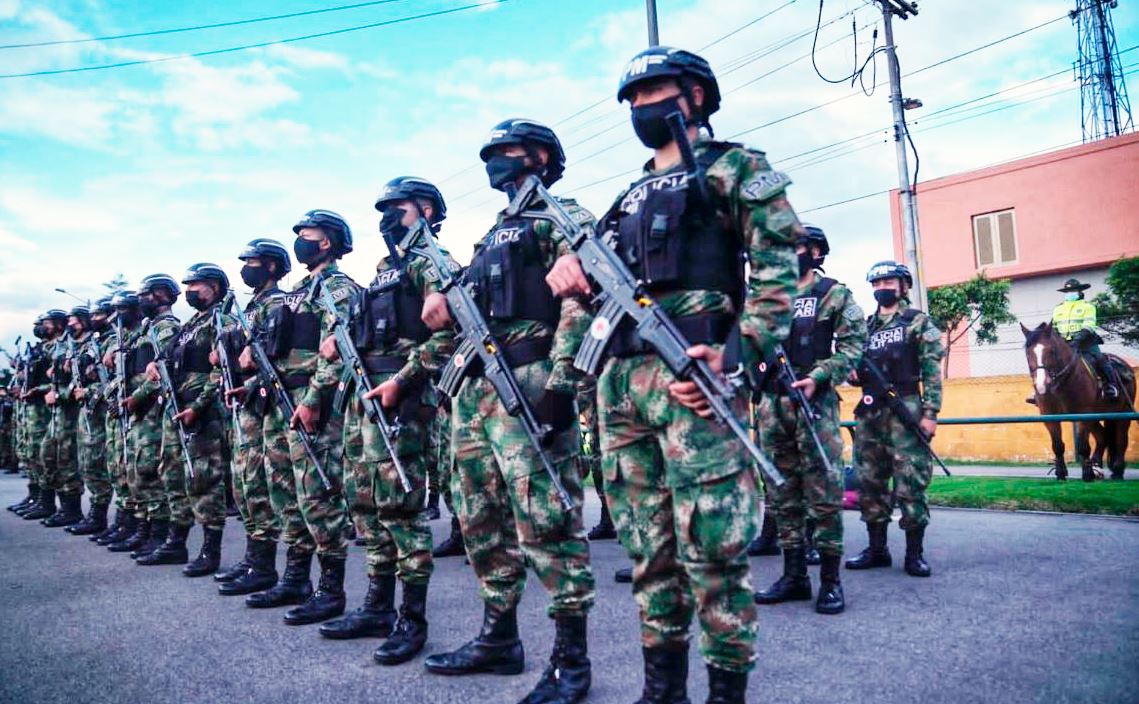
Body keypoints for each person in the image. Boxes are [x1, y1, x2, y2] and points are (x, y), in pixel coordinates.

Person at [545, 46, 800, 702]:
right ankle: (663, 692)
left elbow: (778, 269)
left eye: (653, 93)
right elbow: (590, 296)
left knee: (713, 553)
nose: (641, 107)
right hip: (621, 389)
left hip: (695, 380)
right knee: (648, 554)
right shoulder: (622, 202)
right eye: (632, 99)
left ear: (695, 96)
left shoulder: (733, 167)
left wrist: (736, 353)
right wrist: (569, 274)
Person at [420, 119, 596, 704]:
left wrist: (562, 383)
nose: (497, 161)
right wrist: (443, 305)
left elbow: (578, 300)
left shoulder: (561, 217)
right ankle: (498, 638)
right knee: (480, 520)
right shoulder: (493, 234)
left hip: (529, 380)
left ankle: (571, 660)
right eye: (491, 153)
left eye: (508, 151)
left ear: (541, 157)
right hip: (476, 389)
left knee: (547, 520)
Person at [317, 177, 456, 667]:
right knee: (366, 504)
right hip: (364, 398)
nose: (386, 217)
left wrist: (404, 380)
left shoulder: (433, 262)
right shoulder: (382, 271)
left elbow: (450, 335)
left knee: (401, 510)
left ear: (427, 211)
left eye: (397, 207)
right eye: (382, 209)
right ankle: (377, 607)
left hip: (402, 399)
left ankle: (411, 620)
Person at [751, 225, 865, 615]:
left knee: (824, 493)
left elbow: (853, 347)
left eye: (796, 246)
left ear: (816, 252)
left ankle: (830, 582)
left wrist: (819, 376)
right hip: (772, 406)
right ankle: (794, 576)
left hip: (814, 405)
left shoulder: (834, 294)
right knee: (782, 494)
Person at [250, 209, 356, 626]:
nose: (300, 241)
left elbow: (338, 348)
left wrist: (313, 399)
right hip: (281, 400)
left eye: (306, 234)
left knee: (318, 497)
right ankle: (295, 579)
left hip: (313, 403)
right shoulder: (296, 293)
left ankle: (331, 590)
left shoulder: (338, 289)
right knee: (285, 494)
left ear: (326, 241)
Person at [846, 261, 944, 578]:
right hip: (870, 412)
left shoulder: (917, 322)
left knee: (910, 482)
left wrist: (931, 413)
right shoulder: (866, 327)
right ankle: (877, 550)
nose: (881, 288)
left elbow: (932, 371)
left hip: (906, 409)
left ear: (903, 286)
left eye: (888, 282)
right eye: (876, 284)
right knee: (869, 481)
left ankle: (915, 554)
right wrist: (852, 374)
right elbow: (853, 366)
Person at [137, 264, 235, 576]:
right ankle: (175, 542)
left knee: (204, 479)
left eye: (197, 285)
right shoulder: (191, 324)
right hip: (176, 408)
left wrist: (199, 406)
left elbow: (222, 372)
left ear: (215, 288)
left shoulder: (222, 321)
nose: (190, 291)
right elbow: (169, 357)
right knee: (172, 475)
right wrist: (156, 365)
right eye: (188, 285)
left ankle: (210, 551)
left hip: (201, 412)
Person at [215, 239, 294, 597]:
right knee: (246, 485)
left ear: (272, 266)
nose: (246, 268)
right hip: (245, 406)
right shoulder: (250, 308)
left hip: (266, 406)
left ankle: (265, 567)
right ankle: (254, 560)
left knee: (265, 487)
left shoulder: (277, 303)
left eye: (253, 261)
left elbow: (276, 358)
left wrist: (249, 377)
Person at [109, 275, 182, 560]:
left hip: (152, 411)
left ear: (163, 295)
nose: (142, 301)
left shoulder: (167, 328)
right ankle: (144, 528)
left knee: (150, 472)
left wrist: (136, 397)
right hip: (138, 412)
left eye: (147, 294)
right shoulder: (145, 330)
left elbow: (163, 371)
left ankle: (158, 534)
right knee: (137, 472)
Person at [66, 297, 116, 536]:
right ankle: (96, 515)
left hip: (103, 412)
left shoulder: (113, 342)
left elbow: (113, 381)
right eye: (92, 315)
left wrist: (87, 392)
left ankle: (101, 516)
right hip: (89, 413)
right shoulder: (95, 343)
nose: (94, 319)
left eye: (98, 315)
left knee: (100, 463)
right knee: (88, 463)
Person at [1050, 278, 1120, 401]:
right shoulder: (1058, 309)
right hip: (1064, 344)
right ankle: (1041, 391)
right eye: (1068, 291)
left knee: (1101, 359)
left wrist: (1077, 340)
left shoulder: (1088, 307)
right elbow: (1054, 327)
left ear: (1080, 291)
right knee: (1047, 362)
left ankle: (1111, 386)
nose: (1070, 293)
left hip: (1085, 343)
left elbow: (1089, 326)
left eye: (1073, 291)